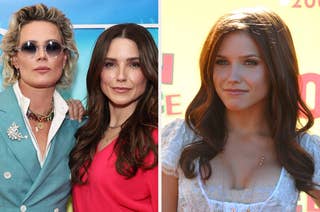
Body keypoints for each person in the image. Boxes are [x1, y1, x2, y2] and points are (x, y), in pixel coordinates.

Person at [162, 8, 320, 211]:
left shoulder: (303, 150)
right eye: (221, 62)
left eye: (250, 62)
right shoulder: (180, 139)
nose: (232, 77)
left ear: (277, 69)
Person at [0, 4, 82, 211]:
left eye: (52, 47)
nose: (42, 55)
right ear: (14, 58)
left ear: (64, 58)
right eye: (30, 47)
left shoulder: (78, 125)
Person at [70, 23, 158, 212]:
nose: (120, 76)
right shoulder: (86, 132)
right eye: (110, 64)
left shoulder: (156, 140)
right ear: (98, 71)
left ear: (148, 71)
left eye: (134, 65)